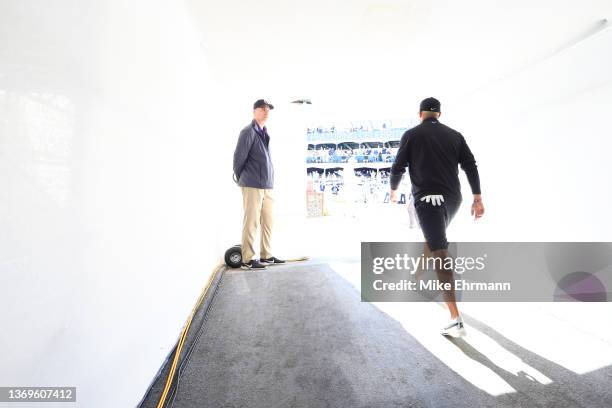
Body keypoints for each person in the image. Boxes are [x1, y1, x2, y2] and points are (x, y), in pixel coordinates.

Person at [390, 97, 485, 336]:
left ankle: (455, 317)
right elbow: (470, 165)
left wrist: (393, 190)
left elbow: (398, 167)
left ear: (420, 113)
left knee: (439, 251)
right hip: (453, 200)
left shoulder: (411, 135)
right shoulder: (455, 135)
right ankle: (415, 276)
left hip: (428, 200)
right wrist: (477, 197)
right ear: (439, 114)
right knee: (434, 239)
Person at [233, 99, 285, 269]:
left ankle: (266, 256)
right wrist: (243, 178)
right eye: (262, 109)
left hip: (267, 186)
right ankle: (247, 259)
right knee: (251, 222)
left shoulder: (264, 133)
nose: (266, 112)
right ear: (254, 111)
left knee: (268, 222)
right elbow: (238, 159)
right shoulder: (248, 132)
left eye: (268, 109)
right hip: (252, 185)